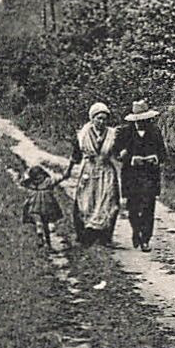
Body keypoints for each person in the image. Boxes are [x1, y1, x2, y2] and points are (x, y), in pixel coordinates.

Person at [111, 98, 167, 250]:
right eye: (140, 120)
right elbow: (116, 152)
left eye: (146, 119)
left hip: (150, 175)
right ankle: (136, 231)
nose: (143, 122)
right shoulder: (124, 132)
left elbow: (163, 154)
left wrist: (155, 158)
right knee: (133, 207)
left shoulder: (155, 132)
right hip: (131, 175)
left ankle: (145, 238)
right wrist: (128, 157)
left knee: (149, 206)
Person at [68, 101, 121, 247]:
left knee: (109, 201)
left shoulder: (112, 134)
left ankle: (106, 236)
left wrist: (122, 155)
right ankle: (84, 236)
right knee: (85, 201)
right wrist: (68, 171)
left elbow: (117, 154)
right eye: (98, 118)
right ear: (92, 119)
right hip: (89, 170)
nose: (101, 121)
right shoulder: (83, 134)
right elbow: (76, 155)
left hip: (106, 170)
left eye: (104, 118)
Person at [8, 162, 65, 250]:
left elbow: (19, 182)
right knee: (45, 224)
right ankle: (48, 243)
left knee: (39, 222)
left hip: (33, 206)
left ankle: (41, 237)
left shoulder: (30, 184)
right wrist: (69, 168)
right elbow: (62, 177)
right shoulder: (48, 182)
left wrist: (24, 174)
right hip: (47, 207)